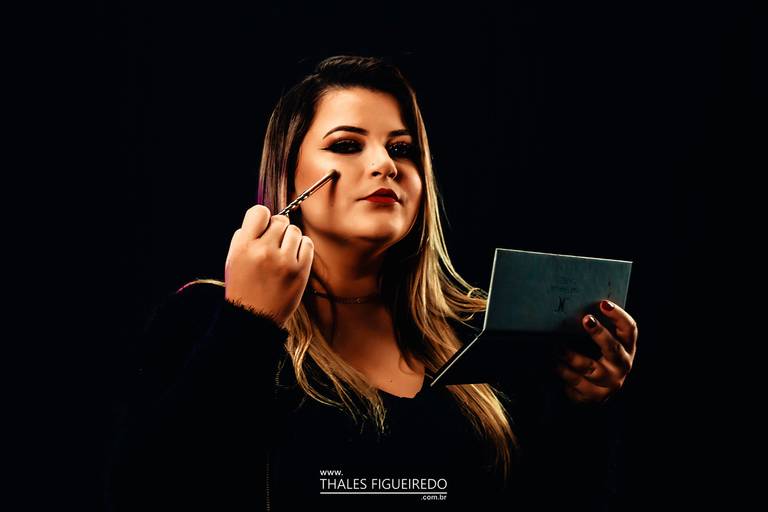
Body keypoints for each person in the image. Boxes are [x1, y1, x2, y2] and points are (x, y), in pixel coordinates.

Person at [105, 55, 639, 511]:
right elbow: (145, 494)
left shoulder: (480, 333)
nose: (385, 164)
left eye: (402, 149)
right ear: (289, 174)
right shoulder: (204, 319)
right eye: (346, 145)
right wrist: (248, 325)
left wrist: (585, 407)